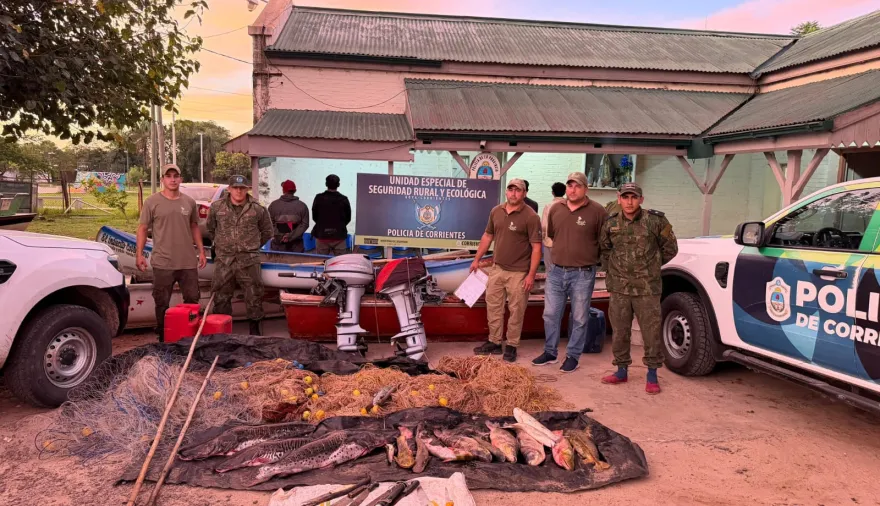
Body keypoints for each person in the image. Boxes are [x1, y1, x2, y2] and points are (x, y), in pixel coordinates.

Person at [599, 182, 678, 394]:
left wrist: (650, 267)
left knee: (651, 332)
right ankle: (621, 370)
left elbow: (671, 248)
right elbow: (605, 250)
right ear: (619, 199)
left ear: (641, 199)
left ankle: (652, 374)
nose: (629, 201)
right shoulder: (611, 223)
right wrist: (615, 272)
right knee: (620, 331)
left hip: (647, 289)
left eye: (634, 197)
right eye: (625, 197)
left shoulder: (656, 221)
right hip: (619, 288)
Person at [532, 172, 607, 372]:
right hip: (556, 271)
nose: (572, 190)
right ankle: (550, 352)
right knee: (550, 314)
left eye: (577, 186)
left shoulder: (598, 212)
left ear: (586, 189)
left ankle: (573, 355)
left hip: (582, 274)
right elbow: (553, 235)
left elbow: (604, 241)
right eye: (570, 186)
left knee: (580, 317)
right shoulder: (556, 209)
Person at [470, 178, 542, 363]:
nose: (513, 193)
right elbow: (487, 236)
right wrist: (476, 259)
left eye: (518, 190)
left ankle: (512, 345)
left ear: (524, 193)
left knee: (516, 309)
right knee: (493, 306)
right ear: (506, 192)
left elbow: (536, 248)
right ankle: (494, 342)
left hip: (519, 273)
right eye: (511, 190)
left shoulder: (531, 216)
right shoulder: (496, 211)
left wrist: (531, 275)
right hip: (497, 268)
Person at [136, 163, 207, 342]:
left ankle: (189, 338)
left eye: (176, 176)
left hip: (188, 262)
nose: (173, 179)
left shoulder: (189, 202)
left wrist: (201, 251)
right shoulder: (152, 202)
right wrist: (139, 254)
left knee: (192, 301)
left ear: (180, 179)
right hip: (163, 262)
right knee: (162, 302)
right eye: (169, 176)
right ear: (163, 180)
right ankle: (163, 336)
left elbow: (194, 227)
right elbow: (143, 228)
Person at [207, 175, 274, 336]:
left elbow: (267, 231)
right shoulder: (217, 207)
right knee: (221, 297)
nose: (239, 191)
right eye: (235, 188)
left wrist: (251, 247)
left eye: (242, 188)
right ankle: (222, 334)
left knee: (254, 296)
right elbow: (211, 229)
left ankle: (255, 333)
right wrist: (224, 245)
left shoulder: (258, 209)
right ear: (229, 189)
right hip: (224, 261)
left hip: (249, 261)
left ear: (247, 189)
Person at [311, 174, 352, 256]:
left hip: (322, 235)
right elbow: (348, 218)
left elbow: (314, 216)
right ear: (338, 185)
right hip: (339, 236)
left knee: (321, 263)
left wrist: (322, 225)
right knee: (340, 264)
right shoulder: (344, 199)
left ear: (326, 184)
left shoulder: (319, 198)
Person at [268, 179, 309, 252]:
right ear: (295, 191)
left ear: (283, 191)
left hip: (277, 246)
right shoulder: (303, 206)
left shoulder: (273, 205)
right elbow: (305, 225)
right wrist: (289, 236)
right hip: (296, 247)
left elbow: (269, 224)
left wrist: (281, 236)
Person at [541, 182, 567, 271]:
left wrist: (543, 238)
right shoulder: (569, 206)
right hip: (566, 244)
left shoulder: (548, 206)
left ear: (552, 193)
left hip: (549, 242)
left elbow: (544, 226)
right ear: (565, 192)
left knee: (550, 269)